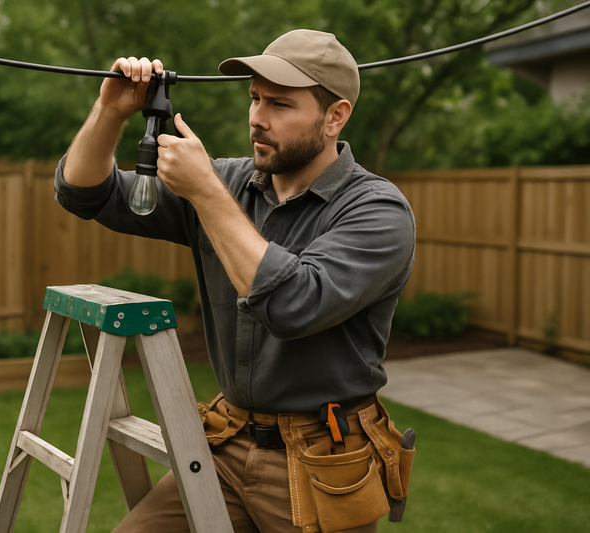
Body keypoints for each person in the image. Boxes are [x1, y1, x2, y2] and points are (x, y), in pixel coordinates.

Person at [55, 29, 416, 533]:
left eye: (280, 104)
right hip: (224, 444)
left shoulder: (377, 211)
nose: (257, 118)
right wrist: (111, 111)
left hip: (322, 463)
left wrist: (205, 195)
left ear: (335, 117)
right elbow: (84, 193)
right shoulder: (227, 184)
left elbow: (294, 305)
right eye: (254, 98)